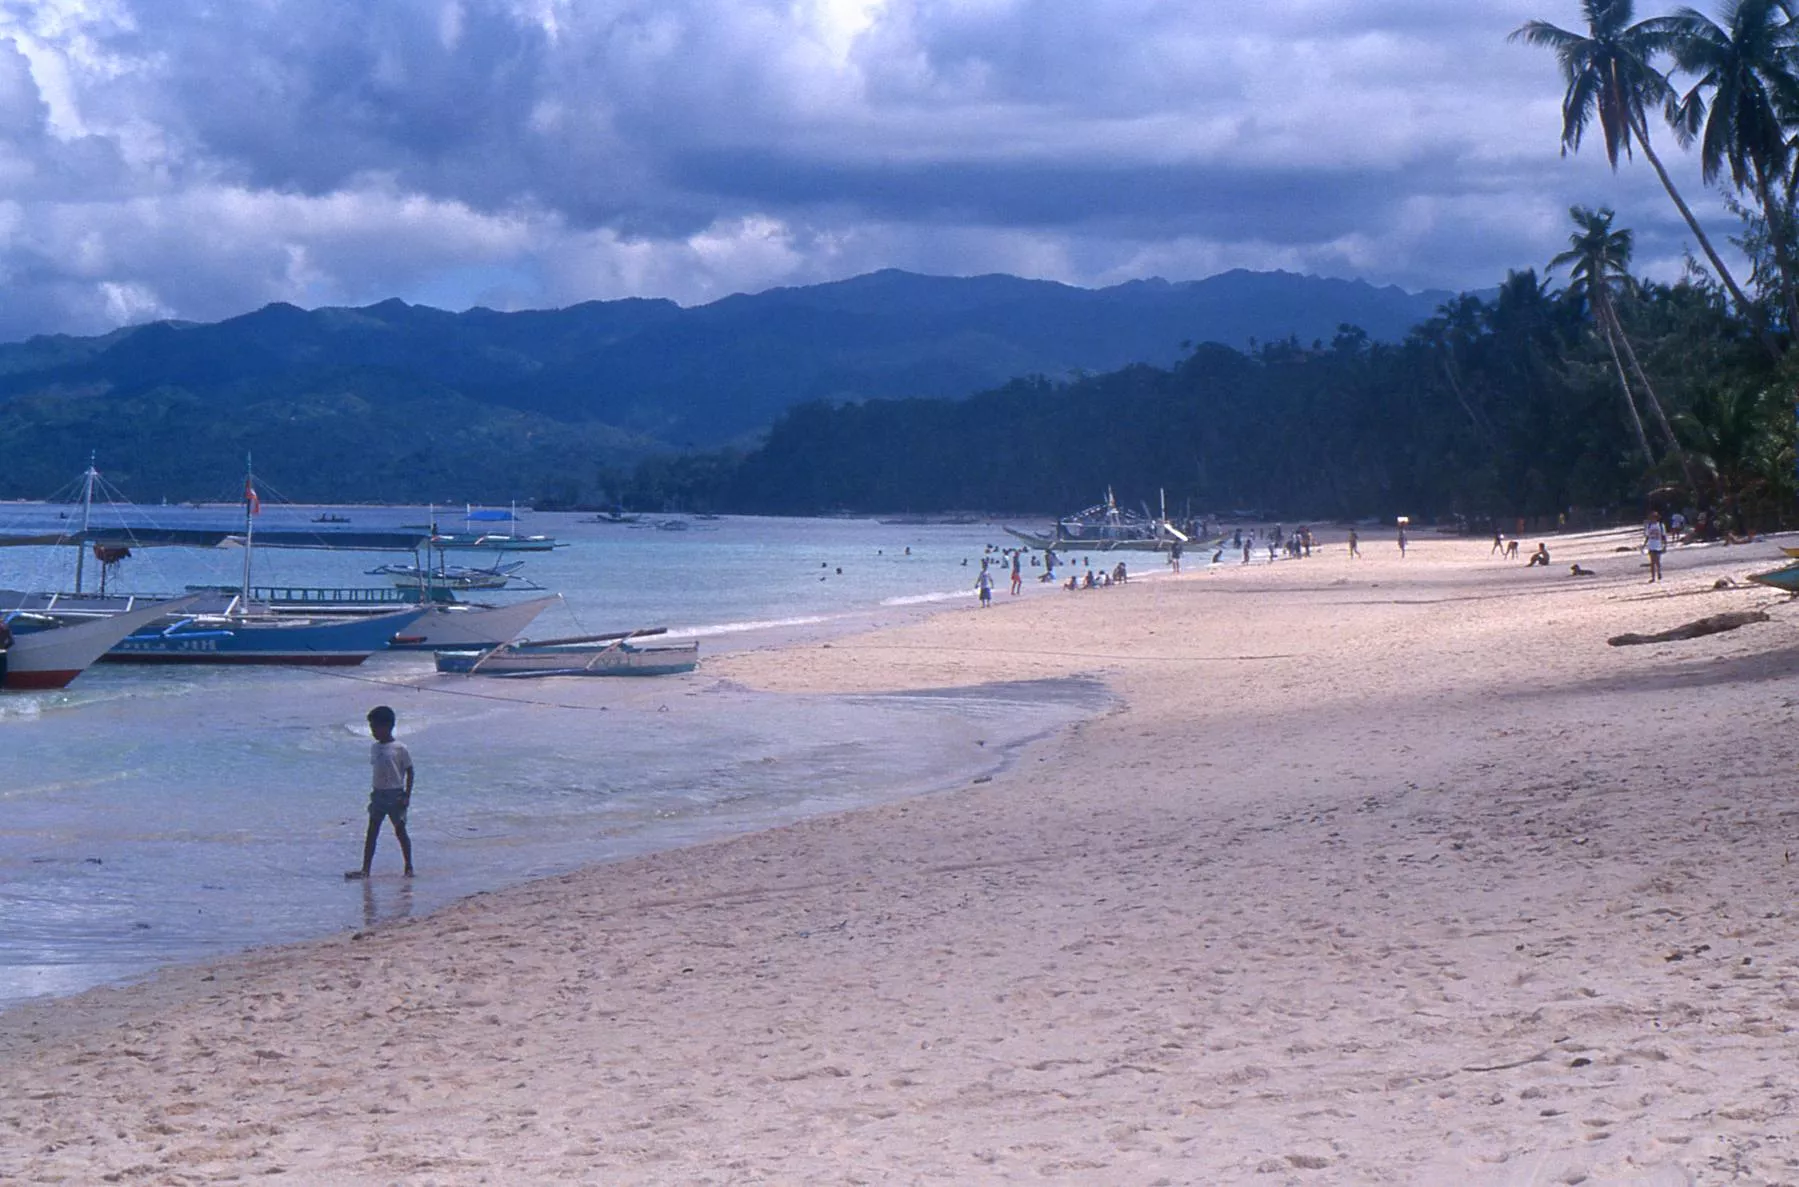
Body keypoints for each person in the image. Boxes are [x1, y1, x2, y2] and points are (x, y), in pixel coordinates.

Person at [347, 705, 414, 880]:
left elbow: (410, 771)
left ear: (387, 726)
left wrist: (407, 795)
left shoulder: (400, 748)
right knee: (371, 832)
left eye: (375, 727)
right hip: (378, 795)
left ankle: (408, 867)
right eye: (371, 728)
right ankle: (365, 870)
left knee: (400, 831)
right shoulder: (375, 748)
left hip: (395, 795)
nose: (373, 732)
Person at [1644, 512, 1668, 583]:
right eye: (1651, 518)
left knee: (1657, 561)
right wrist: (1644, 544)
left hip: (1658, 546)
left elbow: (1664, 536)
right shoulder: (1649, 526)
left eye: (1654, 517)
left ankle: (1659, 572)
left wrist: (1665, 545)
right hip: (1651, 546)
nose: (1652, 519)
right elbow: (1647, 536)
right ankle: (1653, 577)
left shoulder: (1661, 525)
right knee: (1652, 562)